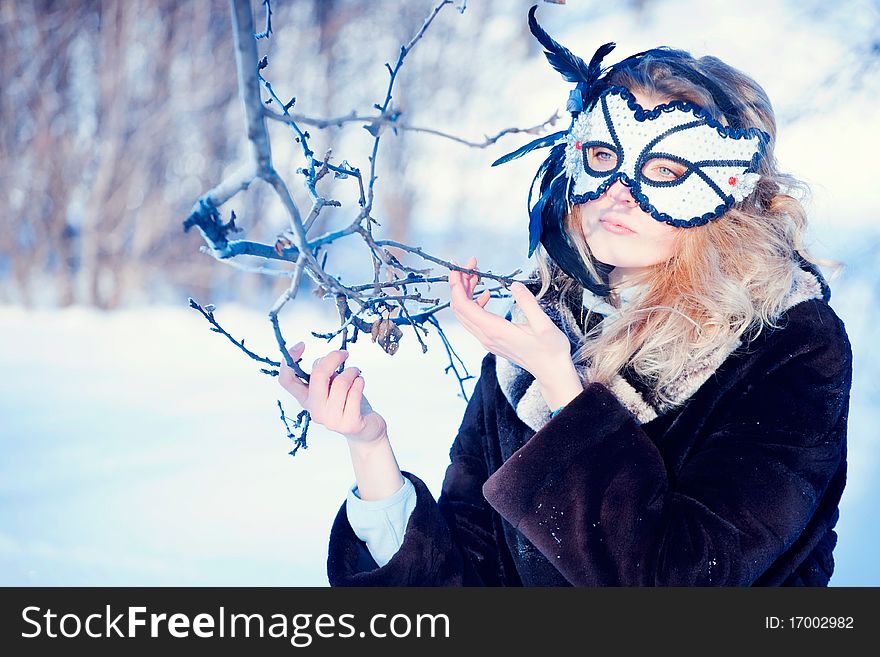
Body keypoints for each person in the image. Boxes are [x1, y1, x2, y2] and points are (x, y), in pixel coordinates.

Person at [277, 5, 852, 586]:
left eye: (667, 170)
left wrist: (562, 388)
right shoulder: (550, 321)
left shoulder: (788, 343)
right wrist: (369, 447)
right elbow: (474, 578)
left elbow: (677, 581)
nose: (617, 194)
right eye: (604, 156)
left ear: (734, 193)